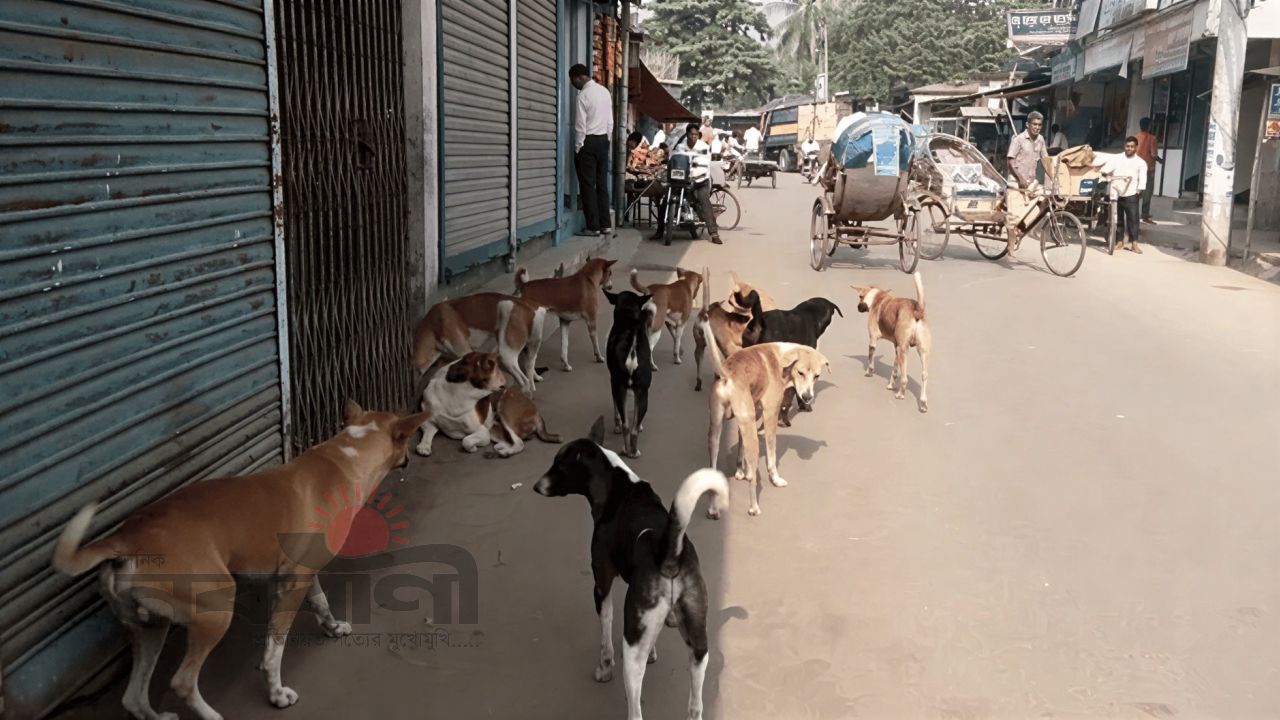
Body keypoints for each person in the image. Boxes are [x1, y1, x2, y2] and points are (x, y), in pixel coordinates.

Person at [652, 122, 721, 244]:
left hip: (700, 181)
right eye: (691, 134)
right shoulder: (680, 147)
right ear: (687, 134)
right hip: (681, 180)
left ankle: (714, 233)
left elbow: (704, 166)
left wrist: (692, 176)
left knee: (703, 199)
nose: (693, 136)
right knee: (665, 200)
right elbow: (673, 161)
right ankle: (659, 230)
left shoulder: (703, 147)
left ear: (698, 135)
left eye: (696, 134)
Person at [569, 63, 613, 236]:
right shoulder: (605, 92)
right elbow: (610, 121)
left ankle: (593, 227)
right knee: (602, 185)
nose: (573, 85)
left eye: (573, 81)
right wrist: (607, 140)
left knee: (587, 185)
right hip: (603, 140)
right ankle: (606, 225)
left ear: (579, 77)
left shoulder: (583, 96)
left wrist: (578, 147)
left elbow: (580, 126)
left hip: (588, 142)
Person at [1099, 136, 1149, 253]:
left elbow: (1142, 179)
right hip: (1116, 193)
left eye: (1132, 146)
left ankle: (1134, 244)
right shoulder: (1117, 158)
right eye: (1127, 146)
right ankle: (1120, 242)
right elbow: (1105, 170)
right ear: (1124, 146)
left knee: (1133, 220)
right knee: (1118, 219)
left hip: (1131, 193)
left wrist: (1138, 191)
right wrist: (1104, 174)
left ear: (1136, 148)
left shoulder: (1141, 163)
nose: (1129, 148)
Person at [1135, 117, 1162, 223]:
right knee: (1147, 193)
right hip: (1148, 170)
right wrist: (1160, 160)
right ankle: (1145, 215)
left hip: (1136, 169)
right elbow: (1153, 154)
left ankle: (1133, 214)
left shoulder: (1136, 137)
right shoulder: (1152, 138)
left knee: (1136, 192)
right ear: (1149, 126)